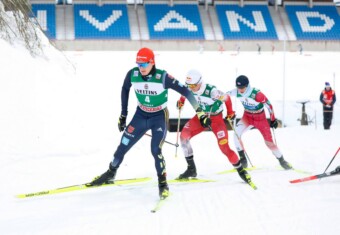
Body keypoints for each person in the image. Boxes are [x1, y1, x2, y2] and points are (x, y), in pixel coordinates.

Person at [88, 48, 211, 199]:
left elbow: (186, 91)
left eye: (144, 64)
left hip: (159, 117)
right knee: (123, 145)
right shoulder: (132, 74)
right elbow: (125, 89)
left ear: (152, 62)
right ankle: (111, 172)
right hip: (140, 116)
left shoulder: (163, 77)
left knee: (155, 150)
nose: (141, 68)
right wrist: (123, 114)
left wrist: (200, 113)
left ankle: (163, 184)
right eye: (138, 64)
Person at [176, 69, 254, 185]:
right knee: (183, 137)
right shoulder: (189, 88)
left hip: (216, 120)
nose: (190, 87)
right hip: (200, 117)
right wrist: (180, 101)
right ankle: (191, 169)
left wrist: (230, 113)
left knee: (224, 147)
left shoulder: (211, 91)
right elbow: (185, 93)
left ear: (200, 82)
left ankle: (242, 171)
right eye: (189, 85)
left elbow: (226, 98)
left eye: (193, 85)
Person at [225, 75, 292, 170]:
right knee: (236, 134)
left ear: (247, 86)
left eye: (242, 88)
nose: (240, 90)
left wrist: (273, 119)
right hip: (247, 117)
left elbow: (269, 105)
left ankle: (282, 161)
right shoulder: (236, 92)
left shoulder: (256, 94)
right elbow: (224, 96)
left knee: (269, 142)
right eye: (238, 87)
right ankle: (243, 159)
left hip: (260, 118)